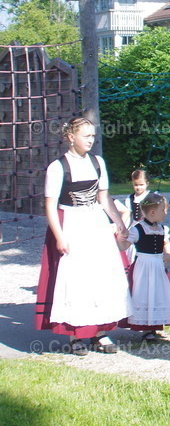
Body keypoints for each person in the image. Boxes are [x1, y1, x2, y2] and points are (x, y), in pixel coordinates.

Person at [35, 116, 131, 356]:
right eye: (86, 136)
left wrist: (119, 223)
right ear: (71, 137)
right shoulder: (58, 167)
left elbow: (104, 198)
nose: (91, 140)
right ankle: (75, 334)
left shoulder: (97, 163)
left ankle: (100, 332)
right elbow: (50, 205)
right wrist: (59, 236)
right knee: (76, 278)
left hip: (95, 223)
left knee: (100, 276)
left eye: (93, 136)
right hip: (72, 224)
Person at [122, 192, 170, 341]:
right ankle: (146, 328)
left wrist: (168, 255)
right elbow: (123, 246)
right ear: (153, 212)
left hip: (158, 266)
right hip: (143, 267)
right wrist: (121, 236)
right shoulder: (137, 229)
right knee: (144, 293)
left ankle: (155, 324)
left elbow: (166, 243)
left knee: (158, 293)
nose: (165, 213)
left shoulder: (162, 229)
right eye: (163, 210)